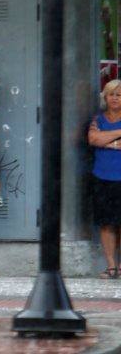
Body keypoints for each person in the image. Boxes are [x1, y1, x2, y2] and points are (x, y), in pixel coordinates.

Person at [87, 79, 121, 279]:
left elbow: (100, 139)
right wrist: (117, 135)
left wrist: (105, 140)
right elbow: (93, 139)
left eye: (119, 94)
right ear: (105, 97)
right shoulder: (97, 119)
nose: (115, 98)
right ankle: (111, 266)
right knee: (106, 222)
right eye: (111, 94)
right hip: (102, 176)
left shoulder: (100, 125)